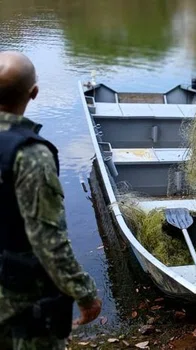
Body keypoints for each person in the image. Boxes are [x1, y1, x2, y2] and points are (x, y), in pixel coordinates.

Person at [0, 51, 102, 349]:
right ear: (34, 92)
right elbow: (48, 238)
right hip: (17, 302)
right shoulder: (30, 154)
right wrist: (84, 293)